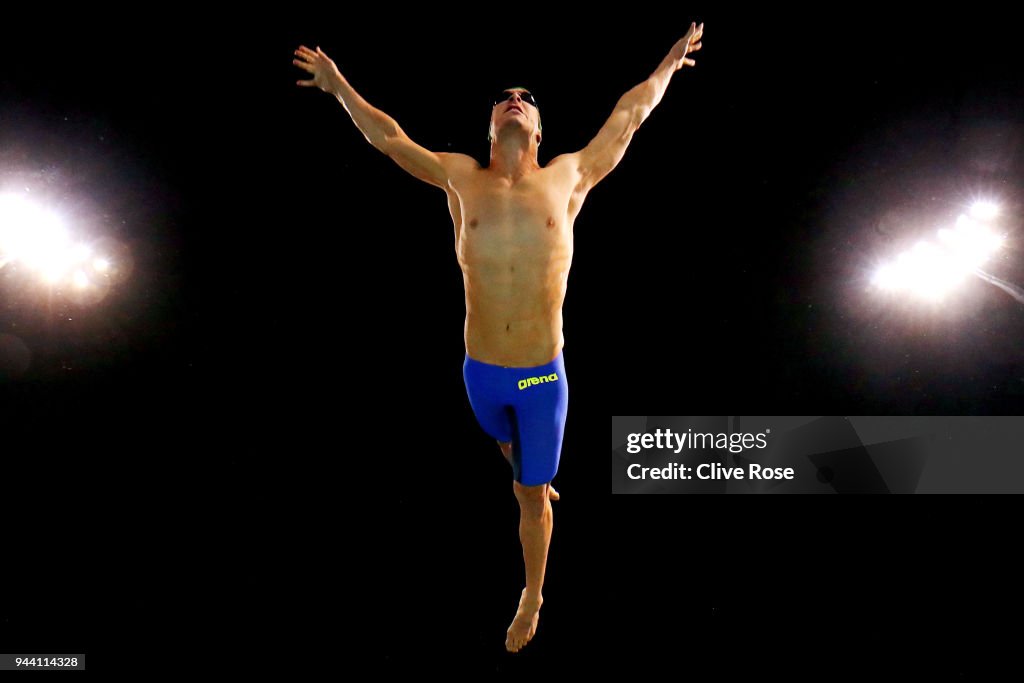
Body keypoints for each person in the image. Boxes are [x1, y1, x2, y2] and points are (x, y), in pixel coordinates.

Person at [292, 22, 703, 653]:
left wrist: (669, 66)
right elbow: (389, 138)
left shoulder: (568, 176)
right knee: (502, 442)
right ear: (490, 126)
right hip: (479, 372)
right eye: (505, 94)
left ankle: (532, 591)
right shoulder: (460, 177)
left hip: (542, 376)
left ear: (539, 130)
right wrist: (339, 86)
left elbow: (629, 116)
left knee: (530, 495)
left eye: (529, 97)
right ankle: (519, 452)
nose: (517, 98)